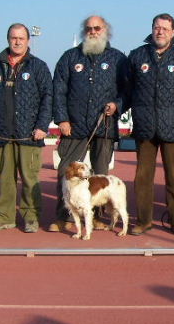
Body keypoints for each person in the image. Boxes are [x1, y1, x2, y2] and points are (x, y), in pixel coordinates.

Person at [121, 13, 174, 236]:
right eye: (157, 27)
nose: (160, 31)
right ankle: (144, 221)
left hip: (172, 126)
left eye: (165, 28)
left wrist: (173, 106)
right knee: (143, 177)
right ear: (151, 29)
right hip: (145, 126)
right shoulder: (137, 56)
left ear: (173, 32)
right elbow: (128, 87)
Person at [49, 15, 126, 232]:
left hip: (105, 126)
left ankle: (96, 216)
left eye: (97, 28)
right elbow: (59, 90)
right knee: (67, 172)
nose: (93, 32)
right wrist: (62, 119)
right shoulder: (70, 57)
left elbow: (127, 90)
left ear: (106, 30)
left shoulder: (118, 59)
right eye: (89, 28)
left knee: (99, 175)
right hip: (74, 126)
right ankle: (63, 216)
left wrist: (118, 104)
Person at [0, 23, 53, 233]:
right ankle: (4, 217)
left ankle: (31, 217)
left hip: (29, 134)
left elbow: (48, 96)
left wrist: (42, 125)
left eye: (21, 38)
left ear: (28, 41)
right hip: (1, 132)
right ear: (8, 39)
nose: (17, 42)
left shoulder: (38, 66)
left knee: (29, 178)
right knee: (5, 179)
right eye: (13, 38)